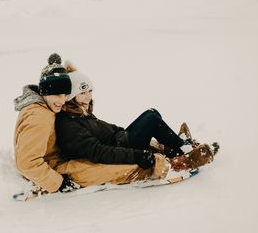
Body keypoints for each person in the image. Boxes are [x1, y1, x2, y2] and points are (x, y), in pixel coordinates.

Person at [14, 53, 170, 195]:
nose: (62, 101)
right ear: (44, 92)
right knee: (113, 170)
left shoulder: (45, 108)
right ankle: (157, 168)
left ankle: (161, 156)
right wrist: (59, 183)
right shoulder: (38, 116)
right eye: (56, 94)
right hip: (53, 169)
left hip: (58, 161)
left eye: (64, 95)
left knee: (109, 161)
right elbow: (27, 163)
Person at [55, 61, 217, 171]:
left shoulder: (80, 110)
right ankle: (185, 151)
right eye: (82, 92)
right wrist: (137, 155)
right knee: (151, 120)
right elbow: (98, 151)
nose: (88, 96)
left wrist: (120, 131)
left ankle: (176, 147)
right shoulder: (69, 123)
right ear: (71, 96)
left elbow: (102, 130)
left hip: (121, 140)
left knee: (151, 113)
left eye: (90, 91)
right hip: (123, 148)